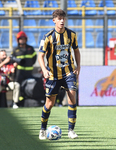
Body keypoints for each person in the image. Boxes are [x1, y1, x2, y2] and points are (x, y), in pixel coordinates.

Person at [38, 9, 81, 140]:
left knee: (72, 99)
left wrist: (78, 66)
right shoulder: (48, 37)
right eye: (59, 18)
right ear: (54, 20)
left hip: (69, 72)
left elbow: (76, 51)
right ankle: (43, 129)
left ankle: (71, 130)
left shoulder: (71, 35)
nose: (62, 21)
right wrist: (44, 70)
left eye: (63, 18)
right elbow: (40, 55)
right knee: (49, 104)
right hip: (53, 75)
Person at [11, 31, 37, 102]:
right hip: (19, 72)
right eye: (21, 39)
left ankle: (27, 100)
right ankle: (18, 101)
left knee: (30, 85)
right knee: (18, 86)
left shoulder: (30, 49)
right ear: (18, 40)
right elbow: (12, 59)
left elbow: (34, 58)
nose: (22, 40)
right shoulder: (15, 50)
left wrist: (30, 64)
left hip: (29, 71)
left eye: (24, 39)